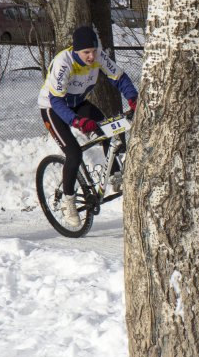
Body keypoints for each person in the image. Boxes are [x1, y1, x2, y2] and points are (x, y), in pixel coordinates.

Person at [38, 25, 138, 229]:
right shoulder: (63, 63)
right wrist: (76, 121)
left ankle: (115, 174)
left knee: (109, 129)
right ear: (76, 50)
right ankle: (68, 201)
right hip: (53, 108)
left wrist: (133, 98)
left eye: (93, 51)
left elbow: (119, 78)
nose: (92, 57)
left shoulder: (98, 56)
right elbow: (57, 102)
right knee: (74, 153)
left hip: (77, 103)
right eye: (86, 53)